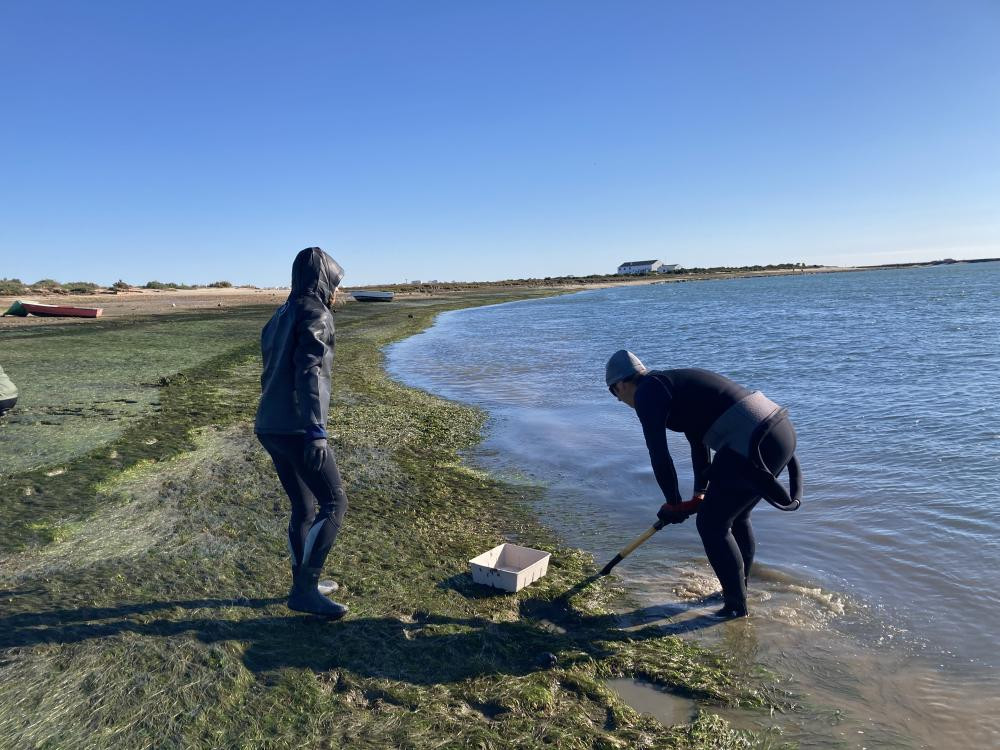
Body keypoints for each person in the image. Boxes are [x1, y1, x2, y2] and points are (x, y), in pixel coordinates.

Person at [605, 350, 802, 618]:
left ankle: (735, 608)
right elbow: (698, 443)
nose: (623, 402)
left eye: (617, 396)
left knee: (712, 524)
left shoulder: (646, 393)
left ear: (620, 385)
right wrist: (700, 493)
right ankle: (737, 592)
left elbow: (659, 454)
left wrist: (673, 504)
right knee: (736, 516)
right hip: (778, 432)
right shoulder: (670, 385)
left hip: (754, 441)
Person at [255, 247, 349, 619]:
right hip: (297, 426)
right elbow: (309, 371)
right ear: (323, 280)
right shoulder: (316, 312)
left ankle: (302, 584)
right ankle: (305, 591)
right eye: (336, 283)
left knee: (304, 505)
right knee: (335, 503)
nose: (337, 291)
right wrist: (316, 430)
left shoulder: (279, 314)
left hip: (270, 424)